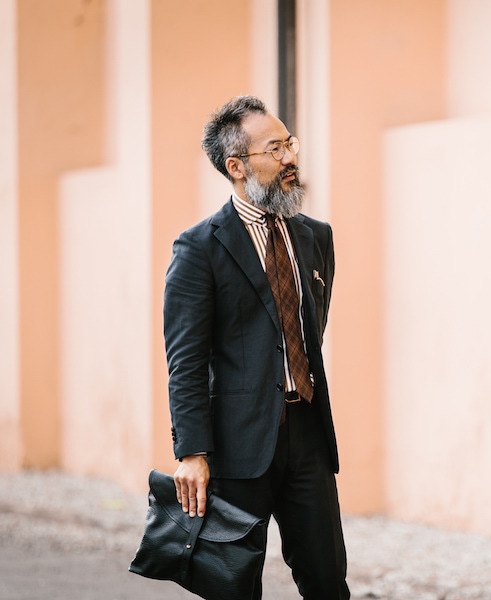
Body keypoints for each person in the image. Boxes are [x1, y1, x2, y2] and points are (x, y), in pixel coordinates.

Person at [164, 95, 350, 599]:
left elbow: (311, 326)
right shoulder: (199, 248)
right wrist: (192, 451)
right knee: (234, 588)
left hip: (308, 434)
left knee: (329, 581)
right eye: (276, 149)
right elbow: (185, 360)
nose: (292, 157)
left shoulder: (316, 237)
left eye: (291, 142)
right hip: (236, 446)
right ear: (237, 166)